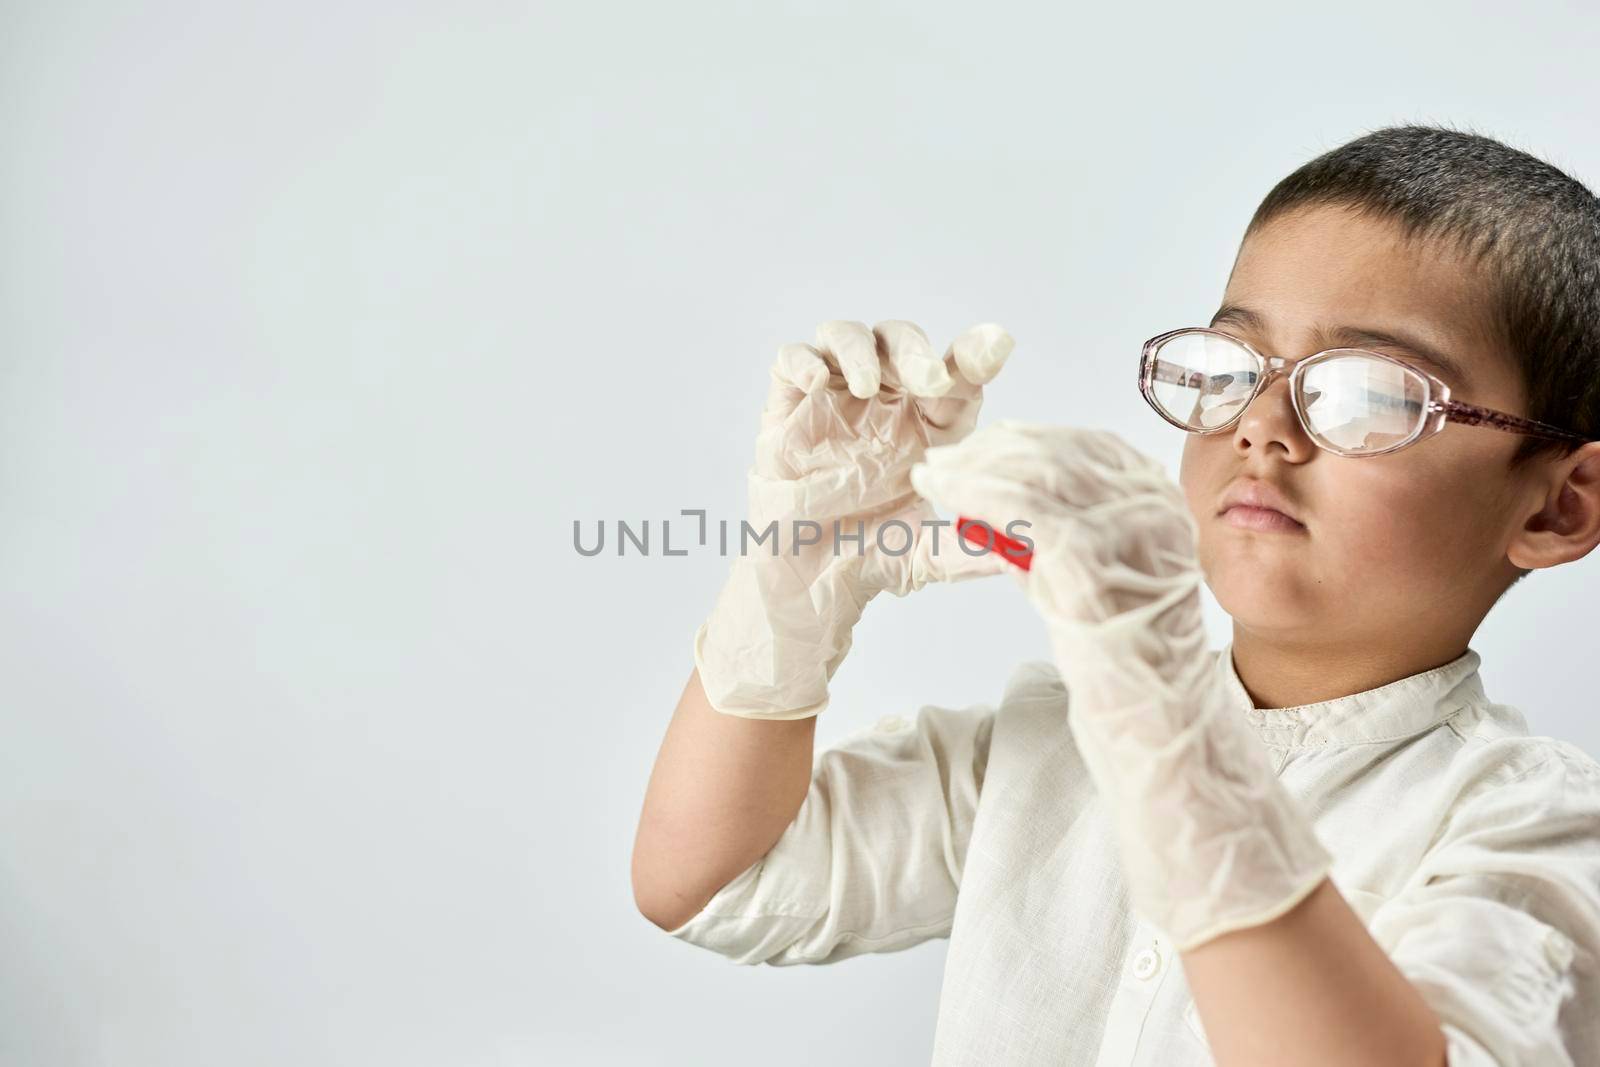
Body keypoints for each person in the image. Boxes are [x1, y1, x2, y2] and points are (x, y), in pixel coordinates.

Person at [630, 123, 1600, 1066]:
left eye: (1368, 392)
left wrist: (1164, 719)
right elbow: (713, 882)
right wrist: (791, 590)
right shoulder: (1048, 745)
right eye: (1231, 367)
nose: (1260, 426)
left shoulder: (1539, 828)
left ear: (1558, 506)